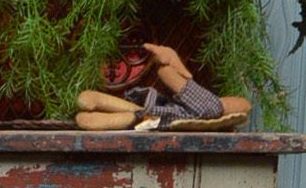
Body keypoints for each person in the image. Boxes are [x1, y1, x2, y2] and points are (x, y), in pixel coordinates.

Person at [75, 42, 251, 130]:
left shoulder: (210, 108)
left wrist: (171, 66)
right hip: (157, 113)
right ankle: (94, 104)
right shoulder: (210, 105)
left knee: (135, 115)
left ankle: (95, 111)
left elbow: (244, 106)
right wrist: (173, 66)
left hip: (154, 117)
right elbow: (172, 77)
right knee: (136, 113)